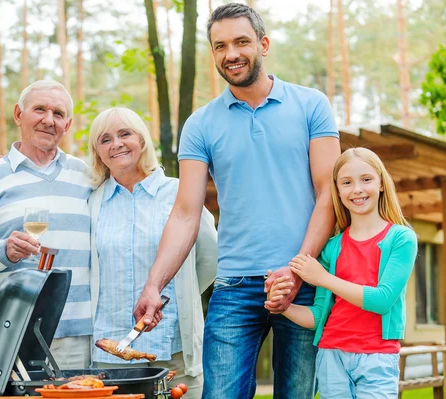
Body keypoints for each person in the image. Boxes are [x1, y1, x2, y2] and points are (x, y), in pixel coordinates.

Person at [133, 3, 342, 398]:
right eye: (220, 45)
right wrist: (152, 286)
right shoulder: (200, 124)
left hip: (305, 280)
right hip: (234, 285)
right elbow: (184, 214)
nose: (231, 54)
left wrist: (298, 270)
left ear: (263, 44)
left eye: (241, 42)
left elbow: (327, 194)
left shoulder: (311, 105)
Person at [266, 147, 417, 398]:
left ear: (381, 184)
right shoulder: (332, 248)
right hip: (330, 356)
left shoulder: (401, 239)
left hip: (377, 358)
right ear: (338, 191)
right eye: (346, 182)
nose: (357, 189)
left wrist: (323, 278)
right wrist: (282, 306)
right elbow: (318, 315)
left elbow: (382, 300)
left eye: (366, 179)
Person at [87, 107, 217, 398]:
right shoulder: (93, 202)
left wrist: (179, 291)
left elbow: (210, 259)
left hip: (173, 347)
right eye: (105, 139)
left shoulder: (179, 193)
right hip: (109, 354)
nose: (116, 144)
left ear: (142, 140)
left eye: (125, 134)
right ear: (98, 152)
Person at [0, 80, 92, 369]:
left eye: (58, 114)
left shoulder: (84, 176)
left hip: (76, 336)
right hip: (9, 330)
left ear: (68, 124)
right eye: (39, 109)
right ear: (18, 115)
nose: (49, 120)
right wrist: (5, 253)